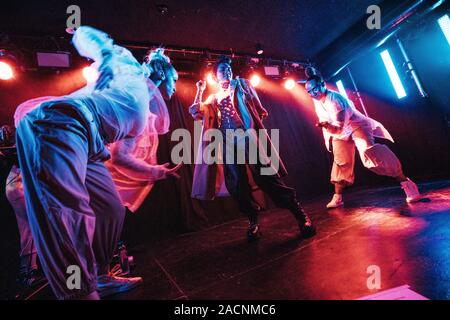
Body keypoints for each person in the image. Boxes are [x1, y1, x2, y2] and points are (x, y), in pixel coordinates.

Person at [14, 25, 175, 300]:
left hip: (91, 144)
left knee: (111, 207)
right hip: (59, 124)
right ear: (157, 71)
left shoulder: (142, 116)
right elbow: (93, 40)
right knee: (69, 216)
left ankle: (100, 276)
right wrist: (95, 46)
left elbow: (121, 158)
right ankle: (80, 293)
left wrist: (154, 171)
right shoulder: (127, 67)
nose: (167, 81)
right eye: (165, 72)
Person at [189, 55, 315, 241]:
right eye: (222, 69)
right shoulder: (213, 97)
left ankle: (299, 214)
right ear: (215, 76)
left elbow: (260, 110)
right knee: (237, 185)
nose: (227, 71)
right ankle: (253, 220)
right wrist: (200, 91)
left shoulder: (241, 85)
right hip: (228, 142)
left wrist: (250, 124)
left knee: (265, 177)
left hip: (246, 136)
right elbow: (195, 111)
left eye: (228, 69)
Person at [305, 75, 421, 208]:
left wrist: (326, 126)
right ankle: (338, 197)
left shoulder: (336, 101)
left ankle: (407, 183)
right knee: (341, 161)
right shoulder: (317, 99)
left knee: (369, 153)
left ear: (322, 84)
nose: (312, 93)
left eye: (314, 89)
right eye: (309, 92)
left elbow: (339, 127)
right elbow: (333, 126)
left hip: (355, 125)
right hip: (338, 130)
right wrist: (325, 125)